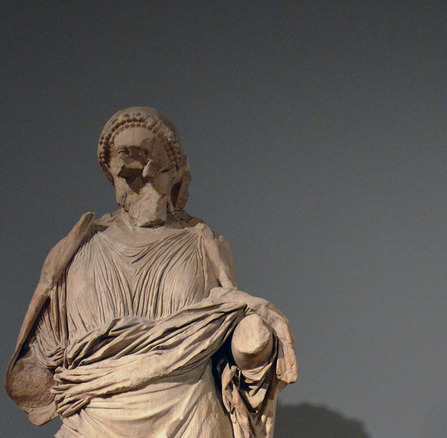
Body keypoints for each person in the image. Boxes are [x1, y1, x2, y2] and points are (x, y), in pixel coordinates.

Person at [6, 107, 297, 438]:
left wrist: (255, 341)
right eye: (120, 156)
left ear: (173, 169)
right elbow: (39, 363)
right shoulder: (79, 245)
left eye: (145, 154)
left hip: (188, 414)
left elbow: (233, 320)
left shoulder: (200, 241)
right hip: (92, 418)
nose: (134, 168)